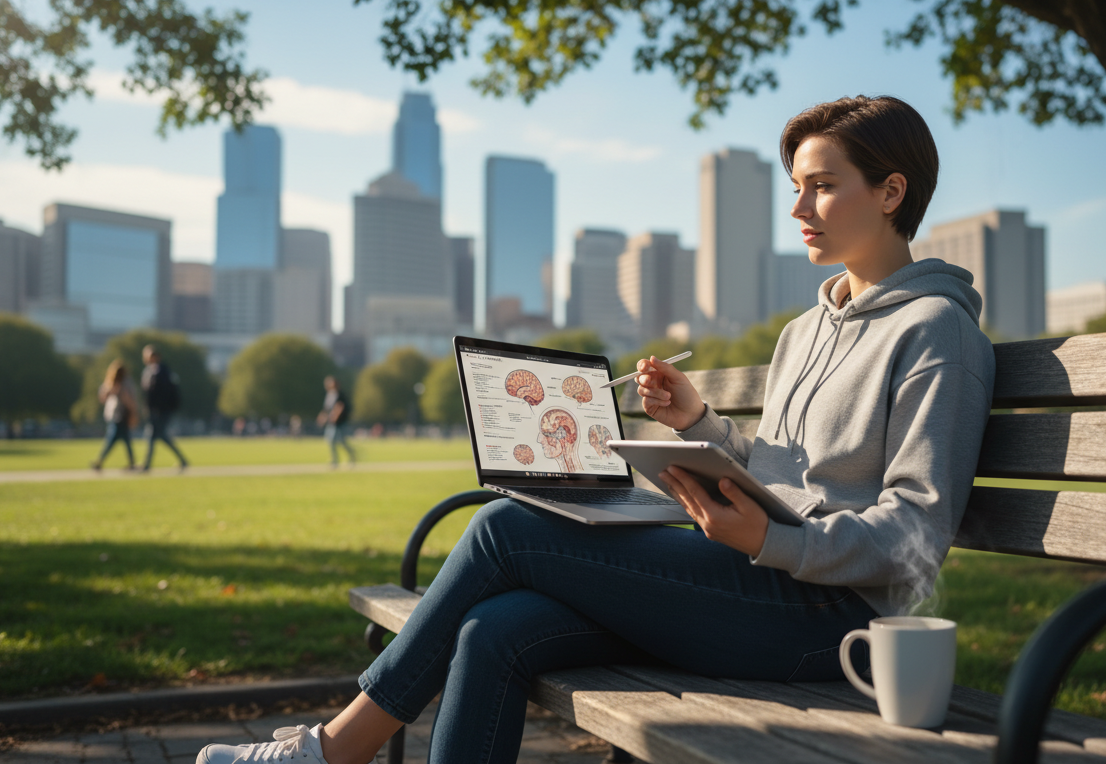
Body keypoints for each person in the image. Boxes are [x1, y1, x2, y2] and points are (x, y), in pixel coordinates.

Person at [197, 96, 996, 764]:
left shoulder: (937, 331)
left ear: (890, 192)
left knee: (505, 527)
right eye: (796, 187)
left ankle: (334, 751)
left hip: (837, 623)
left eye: (821, 187)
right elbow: (787, 474)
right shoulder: (806, 330)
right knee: (492, 628)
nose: (798, 209)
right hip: (754, 581)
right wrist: (699, 426)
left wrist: (771, 540)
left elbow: (917, 532)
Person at [139, 345, 189, 472]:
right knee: (157, 435)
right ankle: (181, 460)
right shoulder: (148, 371)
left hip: (162, 409)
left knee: (155, 434)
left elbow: (165, 392)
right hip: (152, 409)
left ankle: (147, 464)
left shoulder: (163, 371)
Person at [91, 360, 138, 471]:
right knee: (125, 440)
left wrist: (133, 413)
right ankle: (131, 462)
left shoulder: (125, 384)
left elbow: (129, 401)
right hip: (114, 415)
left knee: (112, 439)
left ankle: (100, 461)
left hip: (121, 416)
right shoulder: (110, 383)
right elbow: (103, 397)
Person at [318, 376, 355, 467]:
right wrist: (322, 417)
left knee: (341, 441)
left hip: (339, 422)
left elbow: (340, 407)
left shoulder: (340, 394)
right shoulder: (329, 395)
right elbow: (326, 409)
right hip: (331, 423)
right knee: (330, 440)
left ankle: (351, 455)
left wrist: (335, 416)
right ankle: (334, 460)